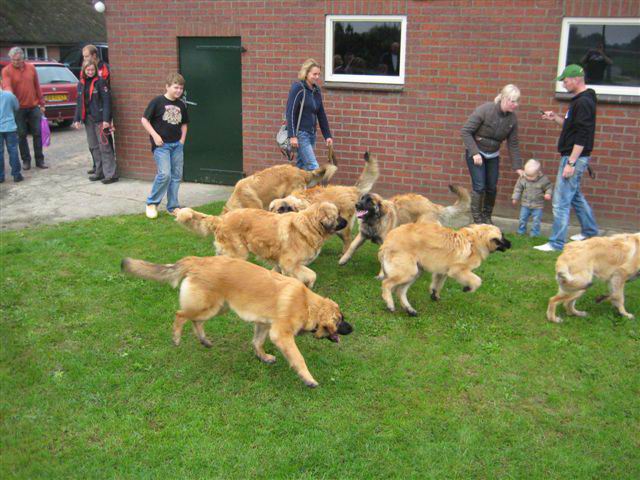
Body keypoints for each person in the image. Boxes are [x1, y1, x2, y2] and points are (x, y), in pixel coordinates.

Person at [535, 64, 599, 252]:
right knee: (575, 197)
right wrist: (554, 117)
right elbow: (571, 126)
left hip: (573, 158)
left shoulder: (584, 102)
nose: (563, 84)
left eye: (566, 80)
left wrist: (571, 162)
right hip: (574, 157)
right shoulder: (579, 100)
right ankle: (590, 231)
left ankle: (556, 243)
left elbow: (582, 134)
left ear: (577, 79)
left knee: (561, 201)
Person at [461, 84, 524, 224]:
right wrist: (474, 152)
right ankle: (477, 220)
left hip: (492, 155)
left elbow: (513, 144)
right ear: (504, 99)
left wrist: (518, 167)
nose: (516, 104)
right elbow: (466, 131)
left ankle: (486, 217)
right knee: (479, 186)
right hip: (477, 153)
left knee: (491, 187)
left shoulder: (512, 119)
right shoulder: (485, 110)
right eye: (513, 101)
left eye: (517, 101)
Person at [141, 72, 189, 219]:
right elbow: (144, 120)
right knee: (165, 174)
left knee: (176, 176)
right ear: (167, 87)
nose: (178, 91)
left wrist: (182, 141)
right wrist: (155, 136)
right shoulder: (157, 102)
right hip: (161, 146)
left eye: (181, 88)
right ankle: (151, 203)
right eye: (176, 87)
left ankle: (173, 206)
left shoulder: (181, 104)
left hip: (176, 146)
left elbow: (184, 124)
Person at [1, 47, 48, 170]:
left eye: (18, 60)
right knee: (21, 135)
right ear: (11, 59)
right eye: (14, 60)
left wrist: (42, 103)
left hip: (33, 106)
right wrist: (9, 96)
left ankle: (39, 160)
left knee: (37, 133)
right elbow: (7, 86)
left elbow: (37, 85)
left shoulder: (31, 68)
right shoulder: (6, 71)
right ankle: (26, 160)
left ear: (23, 58)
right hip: (18, 108)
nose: (16, 62)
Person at [72, 61, 117, 184]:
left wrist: (106, 120)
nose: (90, 72)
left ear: (95, 70)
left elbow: (107, 102)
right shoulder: (80, 84)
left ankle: (111, 174)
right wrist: (76, 119)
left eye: (92, 70)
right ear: (84, 70)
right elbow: (79, 102)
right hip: (88, 119)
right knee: (94, 147)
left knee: (105, 146)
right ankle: (99, 171)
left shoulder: (101, 82)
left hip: (100, 119)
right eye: (88, 70)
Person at [285, 59, 333, 171]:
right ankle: (319, 189)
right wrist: (292, 135)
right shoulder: (298, 88)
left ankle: (298, 188)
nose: (317, 77)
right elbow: (290, 112)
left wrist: (327, 135)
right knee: (313, 167)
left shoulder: (316, 91)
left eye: (318, 74)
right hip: (301, 134)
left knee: (302, 167)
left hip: (312, 134)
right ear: (306, 73)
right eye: (314, 74)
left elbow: (321, 114)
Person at [82, 44, 113, 174]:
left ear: (94, 55)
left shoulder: (104, 68)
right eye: (83, 57)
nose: (84, 59)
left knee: (105, 143)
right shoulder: (85, 71)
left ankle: (109, 170)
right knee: (93, 143)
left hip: (101, 112)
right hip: (90, 114)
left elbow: (107, 92)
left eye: (87, 56)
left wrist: (107, 117)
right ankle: (97, 167)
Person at [511, 159, 552, 237]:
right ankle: (521, 231)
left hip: (538, 205)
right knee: (522, 219)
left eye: (531, 176)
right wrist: (515, 198)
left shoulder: (543, 180)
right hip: (525, 204)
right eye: (527, 175)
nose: (528, 178)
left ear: (538, 173)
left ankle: (534, 234)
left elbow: (548, 187)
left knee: (536, 221)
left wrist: (548, 194)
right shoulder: (522, 178)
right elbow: (518, 189)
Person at [0, 84, 23, 183]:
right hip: (10, 126)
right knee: (13, 150)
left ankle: (1, 177)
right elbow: (17, 107)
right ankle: (16, 175)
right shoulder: (9, 95)